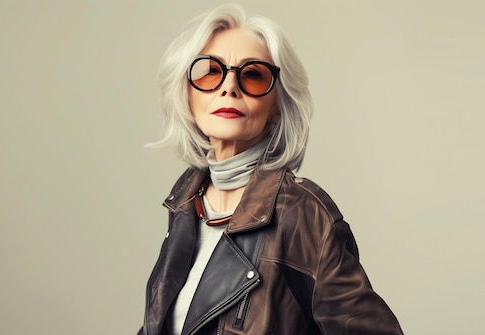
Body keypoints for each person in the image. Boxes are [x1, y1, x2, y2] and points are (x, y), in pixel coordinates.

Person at [138, 4, 403, 335]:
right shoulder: (185, 204)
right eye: (209, 71)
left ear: (277, 105)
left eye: (252, 74)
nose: (229, 87)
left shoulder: (302, 214)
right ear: (187, 93)